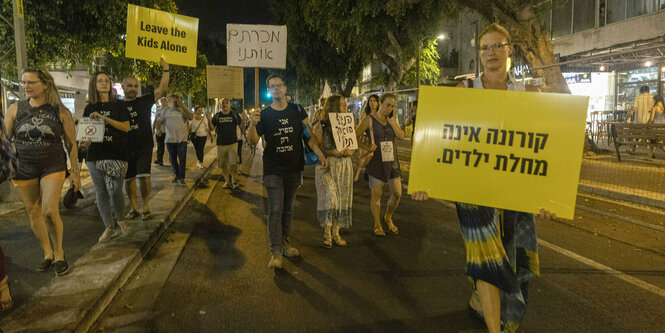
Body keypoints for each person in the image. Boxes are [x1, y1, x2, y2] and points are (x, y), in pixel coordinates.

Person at [412, 23, 549, 333]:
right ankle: (494, 329)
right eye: (485, 47)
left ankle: (480, 300)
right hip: (473, 194)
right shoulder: (465, 92)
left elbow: (543, 149)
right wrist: (425, 182)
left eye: (497, 46)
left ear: (509, 48)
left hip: (513, 191)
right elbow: (444, 141)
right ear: (479, 53)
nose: (491, 52)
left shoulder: (530, 94)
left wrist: (547, 197)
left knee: (512, 257)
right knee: (487, 260)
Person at [3, 67, 80, 275]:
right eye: (23, 82)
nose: (26, 87)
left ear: (45, 84)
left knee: (49, 210)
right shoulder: (15, 109)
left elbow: (72, 145)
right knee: (33, 211)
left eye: (31, 82)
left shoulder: (60, 111)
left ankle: (60, 253)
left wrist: (74, 172)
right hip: (23, 168)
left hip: (52, 166)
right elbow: (6, 141)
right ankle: (48, 253)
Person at [247, 74, 327, 269]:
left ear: (285, 88)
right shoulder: (264, 115)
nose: (276, 88)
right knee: (275, 209)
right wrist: (251, 124)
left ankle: (284, 242)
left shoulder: (297, 110)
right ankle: (275, 251)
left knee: (288, 209)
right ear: (269, 91)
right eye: (271, 86)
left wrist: (319, 153)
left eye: (279, 85)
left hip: (294, 168)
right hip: (273, 169)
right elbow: (252, 141)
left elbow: (308, 136)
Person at [81, 72, 130, 242]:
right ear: (94, 85)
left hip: (117, 154)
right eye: (100, 81)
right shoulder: (89, 108)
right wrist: (84, 143)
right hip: (95, 155)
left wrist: (104, 118)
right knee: (101, 192)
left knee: (115, 189)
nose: (104, 83)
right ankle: (109, 227)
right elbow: (88, 134)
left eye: (106, 81)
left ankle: (121, 218)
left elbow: (125, 127)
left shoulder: (120, 106)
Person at [121, 59, 169, 222]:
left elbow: (162, 88)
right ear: (123, 87)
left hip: (144, 146)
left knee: (144, 177)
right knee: (129, 180)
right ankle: (133, 208)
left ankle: (146, 208)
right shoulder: (117, 105)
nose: (133, 89)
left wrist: (166, 68)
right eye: (130, 86)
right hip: (125, 147)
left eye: (136, 86)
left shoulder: (144, 101)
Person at [355, 93, 404, 237]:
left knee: (397, 194)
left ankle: (388, 217)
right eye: (387, 105)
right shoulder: (369, 120)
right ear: (380, 103)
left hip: (392, 162)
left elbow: (401, 136)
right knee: (377, 194)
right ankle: (377, 224)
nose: (390, 108)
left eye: (392, 106)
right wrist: (366, 145)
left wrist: (393, 121)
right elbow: (354, 135)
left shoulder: (392, 120)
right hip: (376, 162)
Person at [312, 95, 355, 248]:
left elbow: (351, 144)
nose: (344, 107)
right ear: (333, 106)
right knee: (331, 199)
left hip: (344, 166)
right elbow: (315, 147)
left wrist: (350, 152)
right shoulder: (321, 126)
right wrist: (332, 153)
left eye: (345, 104)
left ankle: (336, 233)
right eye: (341, 104)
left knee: (341, 200)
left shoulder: (348, 123)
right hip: (327, 167)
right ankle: (327, 233)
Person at [155, 93, 192, 187]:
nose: (176, 101)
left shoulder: (183, 110)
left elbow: (191, 117)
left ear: (181, 100)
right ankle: (176, 175)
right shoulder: (166, 110)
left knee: (182, 159)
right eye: (174, 99)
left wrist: (182, 106)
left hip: (182, 139)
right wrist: (158, 129)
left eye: (178, 99)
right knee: (172, 160)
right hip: (170, 139)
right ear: (171, 100)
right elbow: (159, 120)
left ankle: (182, 178)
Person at [212, 98, 244, 189]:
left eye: (227, 103)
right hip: (221, 144)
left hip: (232, 143)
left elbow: (241, 126)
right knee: (222, 164)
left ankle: (234, 181)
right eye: (223, 103)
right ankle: (227, 181)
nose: (225, 105)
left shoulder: (234, 114)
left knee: (233, 163)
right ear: (220, 105)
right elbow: (211, 127)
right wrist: (208, 118)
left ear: (230, 105)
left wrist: (244, 119)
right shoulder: (217, 115)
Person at [154, 97, 168, 166]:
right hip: (160, 132)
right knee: (160, 147)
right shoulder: (158, 110)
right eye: (162, 101)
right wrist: (154, 130)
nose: (164, 102)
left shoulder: (169, 110)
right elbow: (155, 120)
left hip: (167, 131)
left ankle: (171, 160)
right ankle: (159, 160)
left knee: (170, 147)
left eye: (165, 101)